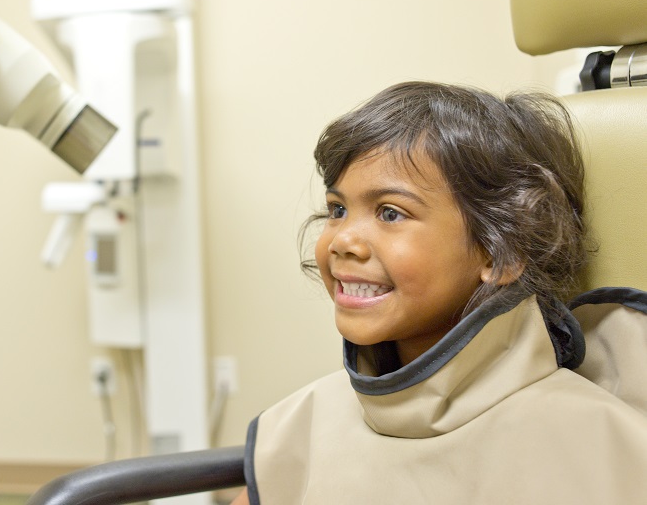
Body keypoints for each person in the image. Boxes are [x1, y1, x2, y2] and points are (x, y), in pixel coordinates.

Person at [231, 81, 647, 504]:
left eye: (390, 213)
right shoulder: (300, 425)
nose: (342, 241)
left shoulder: (596, 442)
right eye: (338, 209)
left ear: (500, 253)